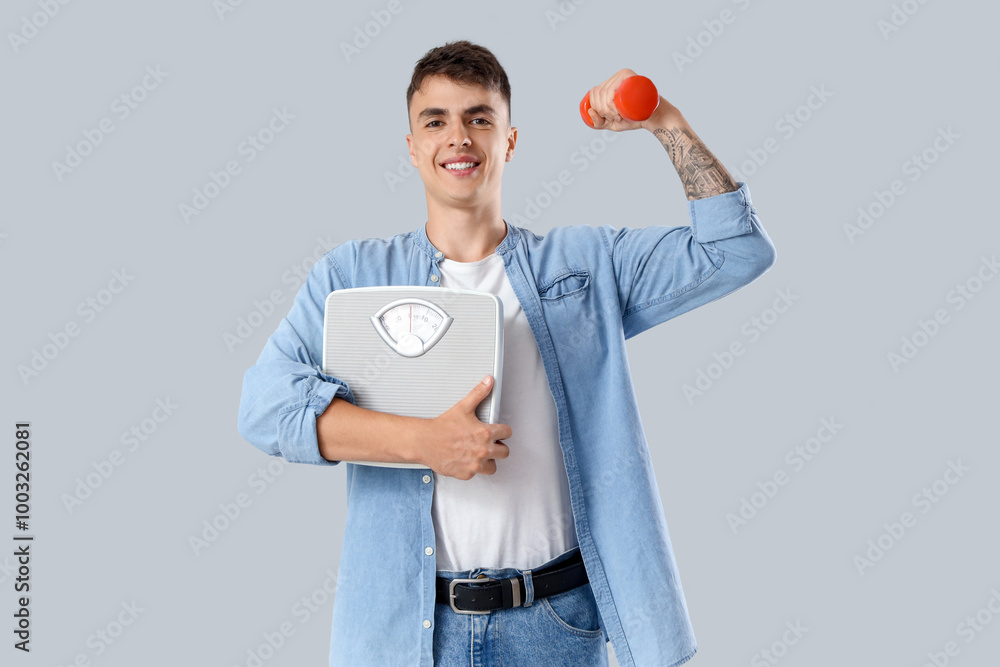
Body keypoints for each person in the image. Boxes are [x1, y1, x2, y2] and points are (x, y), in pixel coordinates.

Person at [238, 39, 776, 667]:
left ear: (510, 140)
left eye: (479, 117)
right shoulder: (353, 277)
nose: (458, 137)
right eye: (434, 121)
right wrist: (423, 444)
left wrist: (664, 121)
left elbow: (736, 251)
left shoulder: (585, 267)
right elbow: (264, 407)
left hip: (556, 624)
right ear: (411, 147)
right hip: (403, 633)